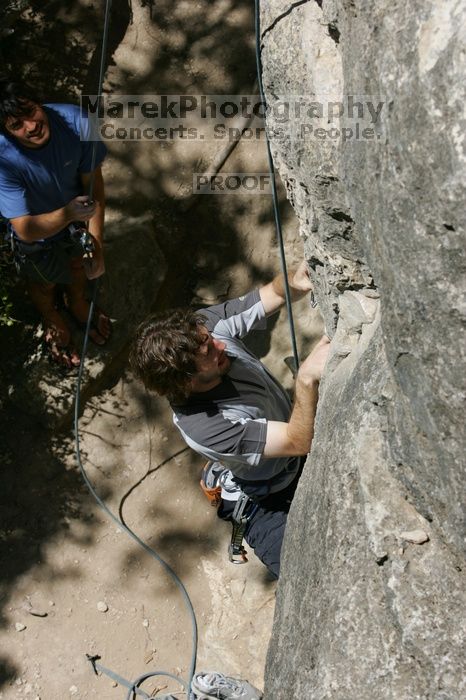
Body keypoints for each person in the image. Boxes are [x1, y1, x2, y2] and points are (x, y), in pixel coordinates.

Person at [130, 261, 330, 578]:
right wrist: (305, 380)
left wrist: (295, 278)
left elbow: (273, 293)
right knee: (305, 576)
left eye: (210, 340)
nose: (221, 344)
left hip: (287, 457)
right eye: (211, 354)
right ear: (186, 382)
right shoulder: (205, 425)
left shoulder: (203, 330)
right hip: (266, 500)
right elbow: (297, 441)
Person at [0, 79, 111, 367]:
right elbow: (23, 229)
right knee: (43, 282)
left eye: (30, 111)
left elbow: (93, 184)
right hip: (38, 235)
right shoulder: (3, 159)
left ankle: (76, 301)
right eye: (16, 125)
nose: (31, 126)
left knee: (78, 266)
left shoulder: (77, 122)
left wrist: (95, 246)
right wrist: (68, 215)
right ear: (7, 133)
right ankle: (51, 314)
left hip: (76, 219)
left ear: (40, 102)